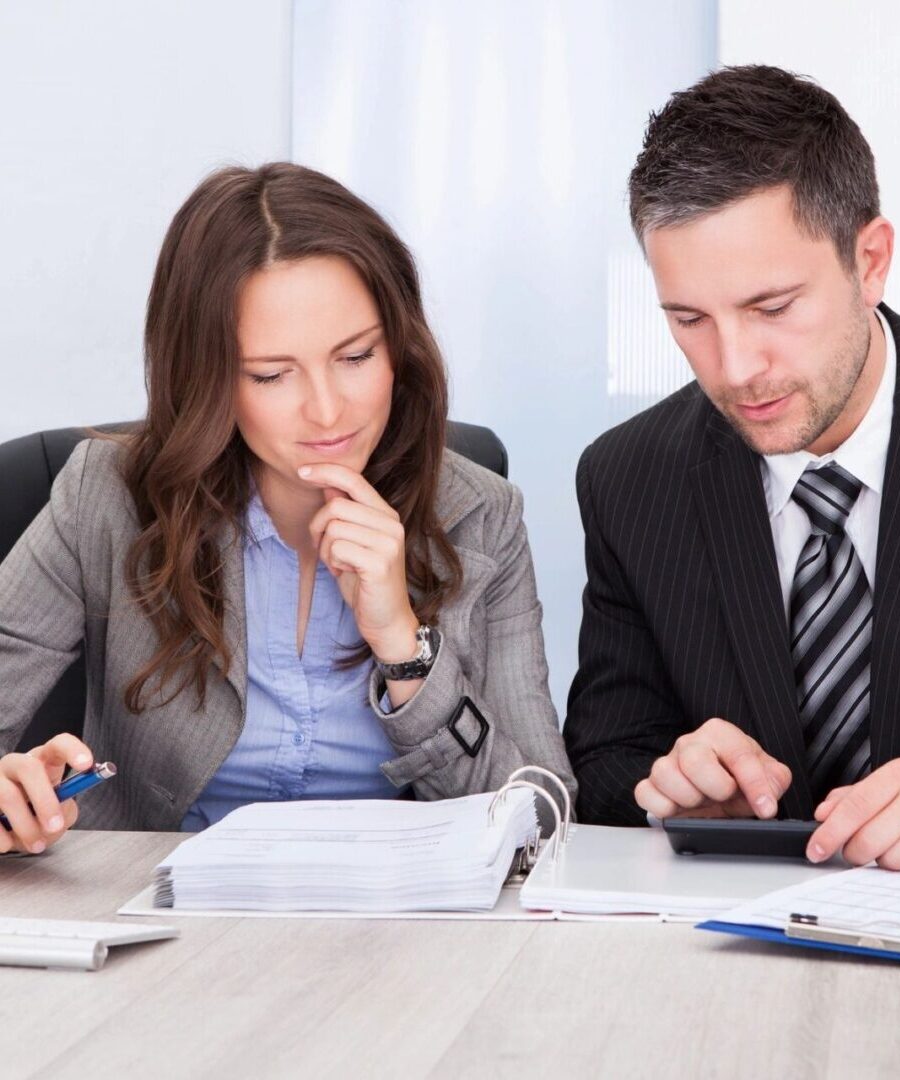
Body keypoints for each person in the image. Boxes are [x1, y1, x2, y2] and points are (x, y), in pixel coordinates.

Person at [564, 64, 900, 872]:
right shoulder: (629, 478)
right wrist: (677, 785)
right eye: (690, 319)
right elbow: (606, 763)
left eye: (772, 309)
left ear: (870, 260)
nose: (735, 368)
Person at [0, 162, 574, 853]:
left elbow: (542, 814)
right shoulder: (106, 494)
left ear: (400, 347)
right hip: (159, 926)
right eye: (272, 374)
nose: (328, 411)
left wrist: (404, 650)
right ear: (205, 377)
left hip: (405, 937)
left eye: (356, 357)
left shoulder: (483, 514)